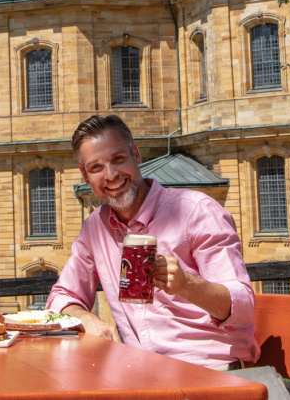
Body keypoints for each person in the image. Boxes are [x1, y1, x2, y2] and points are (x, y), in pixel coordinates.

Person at [47, 114, 260, 371]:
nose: (111, 175)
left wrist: (186, 285)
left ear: (136, 155)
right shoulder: (96, 227)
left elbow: (244, 307)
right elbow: (63, 295)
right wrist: (84, 318)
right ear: (85, 175)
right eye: (96, 167)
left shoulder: (196, 211)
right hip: (144, 374)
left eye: (118, 159)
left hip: (213, 370)